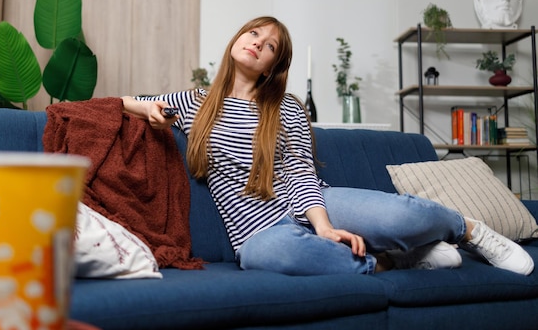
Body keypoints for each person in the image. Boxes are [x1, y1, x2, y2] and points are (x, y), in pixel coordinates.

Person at [121, 16, 534, 276]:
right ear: (236, 39)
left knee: (396, 216)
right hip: (258, 231)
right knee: (268, 255)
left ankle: (471, 230)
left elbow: (301, 171)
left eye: (270, 47)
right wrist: (146, 109)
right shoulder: (195, 104)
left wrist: (322, 225)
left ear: (273, 67)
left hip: (316, 202)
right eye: (254, 34)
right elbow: (115, 103)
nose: (257, 43)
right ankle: (395, 260)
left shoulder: (284, 106)